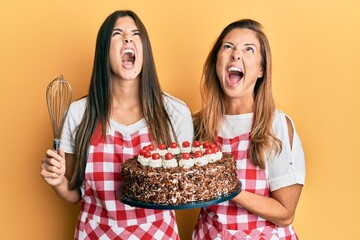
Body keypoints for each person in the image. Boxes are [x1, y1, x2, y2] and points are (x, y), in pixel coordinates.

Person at [40, 10, 193, 239]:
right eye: (117, 34)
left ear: (145, 50)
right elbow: (74, 193)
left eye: (135, 34)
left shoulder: (175, 112)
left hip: (158, 233)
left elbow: (184, 187)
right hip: (95, 233)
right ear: (104, 51)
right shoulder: (80, 113)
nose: (128, 38)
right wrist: (58, 181)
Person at [192, 19, 305, 239]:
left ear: (261, 70)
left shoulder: (276, 126)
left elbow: (285, 213)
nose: (235, 54)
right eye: (228, 47)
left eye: (248, 49)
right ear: (217, 62)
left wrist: (230, 189)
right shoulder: (198, 125)